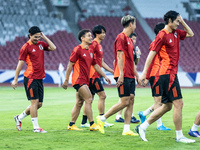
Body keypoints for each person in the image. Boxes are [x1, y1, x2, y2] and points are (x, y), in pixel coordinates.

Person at [135, 10, 195, 143]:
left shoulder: (176, 33)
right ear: (169, 20)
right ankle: (179, 136)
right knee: (178, 103)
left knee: (167, 106)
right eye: (177, 21)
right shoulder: (162, 35)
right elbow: (151, 53)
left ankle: (142, 127)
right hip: (167, 74)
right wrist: (144, 73)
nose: (179, 24)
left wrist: (182, 20)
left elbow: (191, 33)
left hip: (170, 74)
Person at [97, 15, 139, 136]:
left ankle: (126, 129)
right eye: (134, 24)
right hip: (123, 74)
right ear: (130, 24)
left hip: (130, 74)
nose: (135, 26)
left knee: (131, 100)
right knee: (124, 101)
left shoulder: (130, 40)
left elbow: (131, 60)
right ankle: (102, 118)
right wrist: (120, 74)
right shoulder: (121, 37)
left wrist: (136, 75)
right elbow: (119, 56)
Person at [62, 29, 111, 131]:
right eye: (88, 36)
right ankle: (92, 124)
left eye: (90, 35)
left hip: (85, 80)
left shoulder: (90, 51)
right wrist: (66, 80)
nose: (91, 37)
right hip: (78, 79)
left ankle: (71, 125)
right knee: (88, 99)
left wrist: (105, 76)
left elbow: (96, 65)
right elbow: (70, 65)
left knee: (79, 102)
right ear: (82, 38)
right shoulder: (77, 49)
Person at [12, 26, 56, 133]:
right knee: (34, 102)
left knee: (39, 104)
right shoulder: (25, 47)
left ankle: (19, 118)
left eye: (38, 37)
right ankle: (36, 127)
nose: (37, 39)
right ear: (30, 35)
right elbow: (20, 64)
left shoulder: (41, 44)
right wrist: (15, 79)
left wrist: (44, 37)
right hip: (30, 78)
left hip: (39, 78)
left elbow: (53, 47)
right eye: (35, 37)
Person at [137, 23, 171, 131]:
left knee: (162, 101)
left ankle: (144, 113)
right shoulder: (155, 43)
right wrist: (147, 77)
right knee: (158, 102)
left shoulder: (162, 42)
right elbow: (151, 61)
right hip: (155, 75)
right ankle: (159, 125)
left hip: (160, 74)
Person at [80, 25, 114, 128]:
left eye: (104, 32)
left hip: (95, 75)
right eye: (102, 33)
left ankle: (83, 122)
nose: (104, 34)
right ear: (96, 34)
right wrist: (104, 75)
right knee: (102, 96)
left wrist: (111, 71)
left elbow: (101, 62)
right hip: (93, 75)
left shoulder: (98, 45)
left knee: (90, 98)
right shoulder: (93, 44)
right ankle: (101, 119)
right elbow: (92, 61)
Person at [115, 32, 140, 123]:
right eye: (132, 39)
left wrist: (138, 56)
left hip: (130, 74)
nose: (134, 41)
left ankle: (122, 117)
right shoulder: (124, 46)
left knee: (129, 98)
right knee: (126, 99)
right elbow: (118, 58)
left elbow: (134, 63)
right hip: (125, 74)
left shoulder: (133, 49)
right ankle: (104, 117)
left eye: (135, 39)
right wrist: (120, 74)